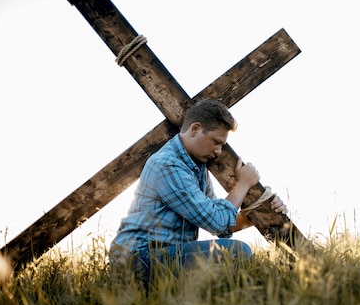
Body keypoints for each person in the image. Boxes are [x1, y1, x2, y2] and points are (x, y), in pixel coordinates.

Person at [109, 98, 287, 286]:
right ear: (195, 129)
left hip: (167, 254)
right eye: (216, 142)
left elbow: (222, 225)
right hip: (138, 258)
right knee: (236, 252)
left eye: (222, 146)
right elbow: (217, 221)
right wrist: (242, 185)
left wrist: (261, 212)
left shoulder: (196, 167)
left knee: (235, 258)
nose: (218, 152)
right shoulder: (167, 165)